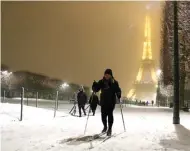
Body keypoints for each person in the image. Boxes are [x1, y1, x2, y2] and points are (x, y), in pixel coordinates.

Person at [92, 69, 121, 136]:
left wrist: (118, 93)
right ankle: (105, 126)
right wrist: (94, 86)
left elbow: (117, 89)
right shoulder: (101, 81)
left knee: (110, 114)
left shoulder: (114, 82)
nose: (106, 76)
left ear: (111, 75)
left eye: (108, 74)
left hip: (111, 101)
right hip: (103, 101)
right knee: (103, 116)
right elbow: (96, 89)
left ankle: (109, 129)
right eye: (105, 74)